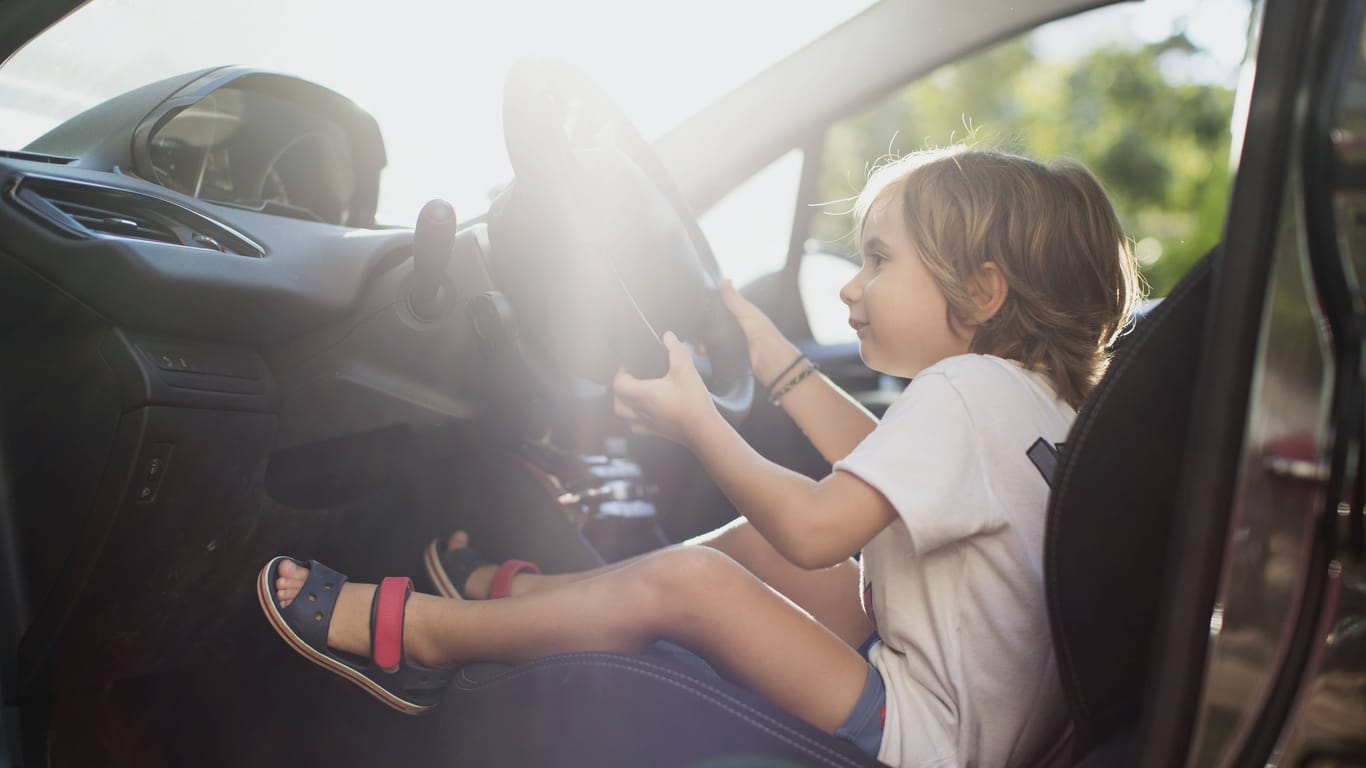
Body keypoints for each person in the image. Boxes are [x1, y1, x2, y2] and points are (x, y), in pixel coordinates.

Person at [260, 146, 1141, 767]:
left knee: (700, 584)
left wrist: (697, 425)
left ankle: (424, 636)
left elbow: (810, 527)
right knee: (768, 555)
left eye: (878, 260)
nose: (849, 283)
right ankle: (533, 600)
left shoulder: (961, 392)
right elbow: (884, 464)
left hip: (923, 741)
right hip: (984, 737)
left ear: (982, 291)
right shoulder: (1043, 407)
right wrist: (778, 364)